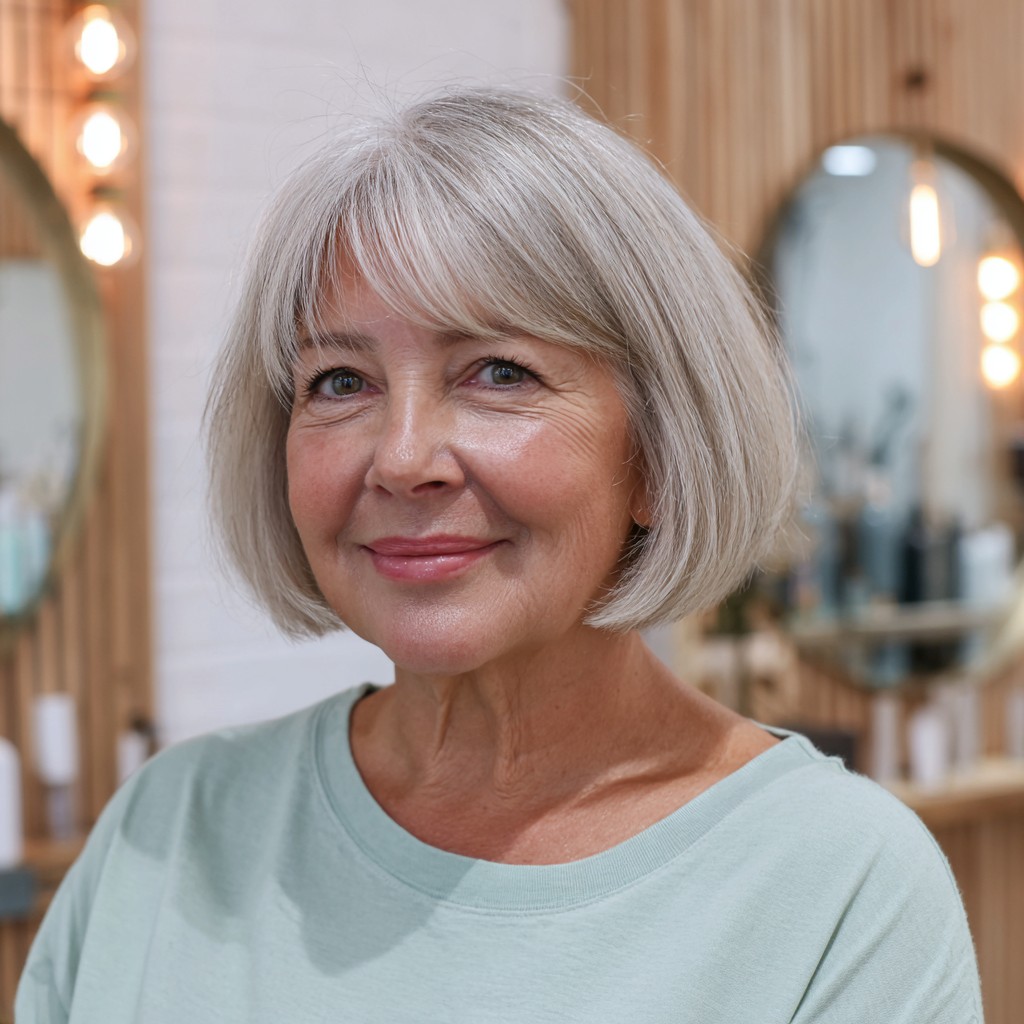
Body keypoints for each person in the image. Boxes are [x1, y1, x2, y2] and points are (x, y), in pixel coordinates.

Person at [17, 87, 982, 1023]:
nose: (401, 459)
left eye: (499, 372)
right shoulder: (165, 836)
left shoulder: (840, 894)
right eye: (341, 381)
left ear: (657, 454)